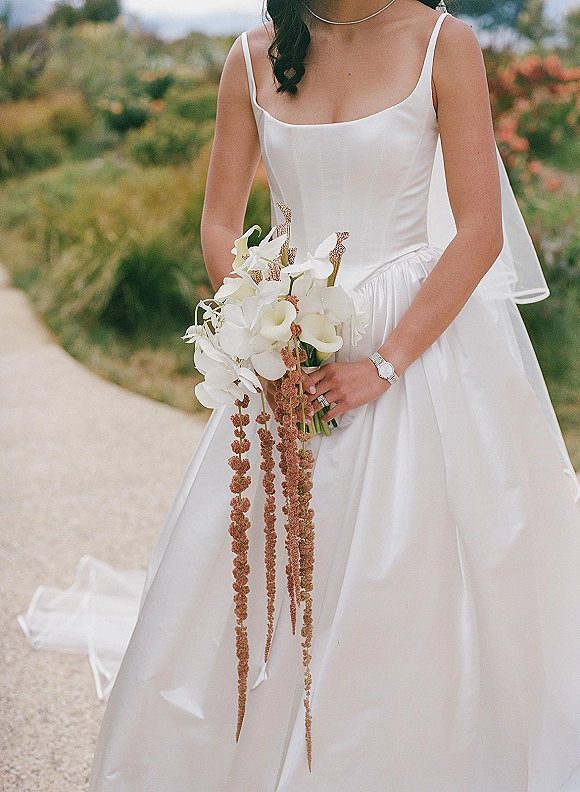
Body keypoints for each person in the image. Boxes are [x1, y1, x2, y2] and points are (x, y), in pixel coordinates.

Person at [88, 1, 580, 790]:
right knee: (248, 581)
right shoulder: (252, 56)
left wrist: (383, 364)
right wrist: (261, 324)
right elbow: (220, 223)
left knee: (411, 579)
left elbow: (479, 228)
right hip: (288, 343)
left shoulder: (441, 42)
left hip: (416, 346)